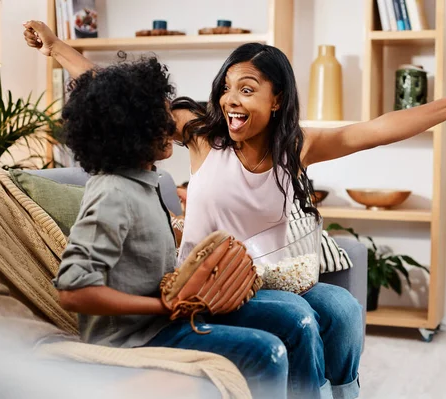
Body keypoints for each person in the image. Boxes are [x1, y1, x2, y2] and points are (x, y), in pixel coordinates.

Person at [24, 19, 446, 399]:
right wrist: (58, 46)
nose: (230, 100)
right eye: (227, 88)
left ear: (276, 99)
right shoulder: (205, 136)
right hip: (210, 282)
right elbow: (123, 98)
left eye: (247, 89)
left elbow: (377, 128)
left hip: (268, 276)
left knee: (342, 307)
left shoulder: (296, 148)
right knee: (298, 317)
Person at [24, 40, 289, 399]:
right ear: (128, 128)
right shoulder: (113, 193)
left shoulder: (147, 183)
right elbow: (72, 290)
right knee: (265, 352)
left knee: (290, 323)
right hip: (132, 340)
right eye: (159, 116)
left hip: (162, 323)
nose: (170, 124)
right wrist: (163, 305)